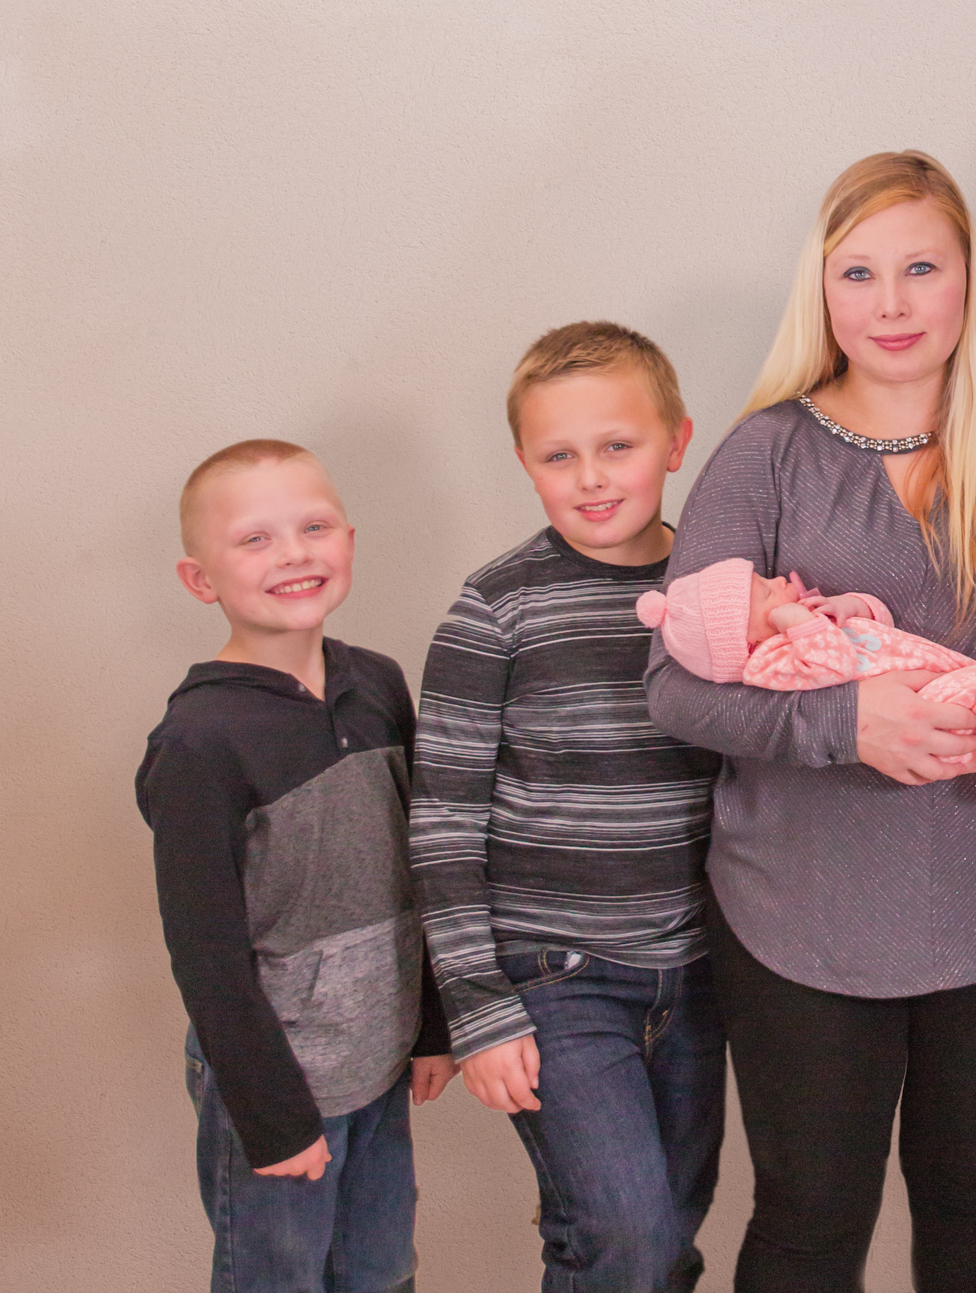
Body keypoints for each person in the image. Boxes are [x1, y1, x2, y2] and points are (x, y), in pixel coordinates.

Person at [644, 150, 976, 1292]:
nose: (890, 304)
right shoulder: (766, 453)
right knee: (810, 1216)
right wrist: (842, 722)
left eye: (921, 268)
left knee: (973, 1192)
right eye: (858, 273)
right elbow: (671, 687)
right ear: (823, 290)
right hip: (797, 919)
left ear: (968, 276)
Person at [407, 323, 724, 1291]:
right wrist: (477, 1007)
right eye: (558, 456)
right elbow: (442, 822)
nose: (591, 478)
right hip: (556, 976)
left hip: (699, 974)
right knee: (629, 1233)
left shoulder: (719, 593)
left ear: (676, 441)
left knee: (660, 1233)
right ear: (524, 464)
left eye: (617, 445)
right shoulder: (497, 608)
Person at [139, 439, 455, 1292]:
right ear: (199, 578)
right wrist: (273, 1114)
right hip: (276, 1086)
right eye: (255, 539)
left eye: (314, 527)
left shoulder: (378, 684)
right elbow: (204, 952)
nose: (293, 553)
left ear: (348, 539)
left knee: (381, 1271)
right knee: (277, 1278)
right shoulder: (199, 741)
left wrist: (431, 1024)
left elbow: (419, 864)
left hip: (379, 1057)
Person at [639, 558, 976, 850]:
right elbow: (835, 666)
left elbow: (877, 632)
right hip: (924, 709)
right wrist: (800, 622)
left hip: (938, 684)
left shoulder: (805, 627)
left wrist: (851, 606)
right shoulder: (772, 659)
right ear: (746, 639)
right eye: (765, 591)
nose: (776, 580)